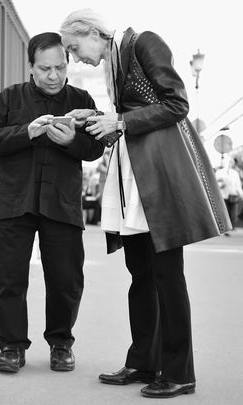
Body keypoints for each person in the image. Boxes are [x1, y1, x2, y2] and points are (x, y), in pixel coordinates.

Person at [59, 9, 231, 399]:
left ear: (91, 32)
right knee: (141, 273)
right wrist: (100, 117)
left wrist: (119, 123)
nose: (75, 58)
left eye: (73, 47)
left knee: (167, 277)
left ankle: (179, 372)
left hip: (157, 179)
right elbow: (134, 113)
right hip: (136, 180)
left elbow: (177, 104)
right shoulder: (118, 57)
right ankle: (143, 361)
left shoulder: (145, 42)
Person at [0, 32, 104, 374]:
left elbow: (95, 150)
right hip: (14, 202)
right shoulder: (9, 98)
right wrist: (26, 132)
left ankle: (61, 344)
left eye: (60, 67)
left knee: (65, 278)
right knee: (8, 277)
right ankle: (12, 347)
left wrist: (72, 141)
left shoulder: (82, 99)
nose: (53, 76)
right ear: (31, 67)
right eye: (45, 68)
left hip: (61, 203)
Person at [216, 156, 243, 233]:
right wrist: (221, 185)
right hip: (223, 195)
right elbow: (215, 183)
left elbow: (238, 186)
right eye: (229, 161)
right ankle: (225, 228)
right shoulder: (219, 172)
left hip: (233, 195)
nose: (230, 163)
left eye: (231, 162)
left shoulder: (235, 173)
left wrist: (241, 195)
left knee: (233, 213)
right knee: (225, 212)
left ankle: (231, 227)